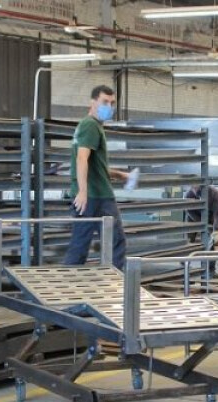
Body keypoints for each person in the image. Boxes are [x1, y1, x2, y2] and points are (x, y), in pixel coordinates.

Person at [63, 85, 132, 269]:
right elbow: (81, 158)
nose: (109, 107)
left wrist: (119, 175)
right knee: (116, 243)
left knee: (80, 245)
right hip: (97, 196)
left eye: (112, 103)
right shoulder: (91, 125)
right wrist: (83, 191)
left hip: (93, 194)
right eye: (105, 102)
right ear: (92, 102)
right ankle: (117, 282)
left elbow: (95, 166)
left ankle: (69, 280)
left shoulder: (90, 126)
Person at [185, 184, 218, 275]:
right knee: (188, 243)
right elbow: (189, 211)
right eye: (193, 188)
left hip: (211, 218)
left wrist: (215, 230)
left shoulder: (214, 193)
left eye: (197, 188)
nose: (195, 190)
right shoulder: (189, 195)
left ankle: (211, 271)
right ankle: (185, 269)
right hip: (194, 218)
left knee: (214, 241)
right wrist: (201, 225)